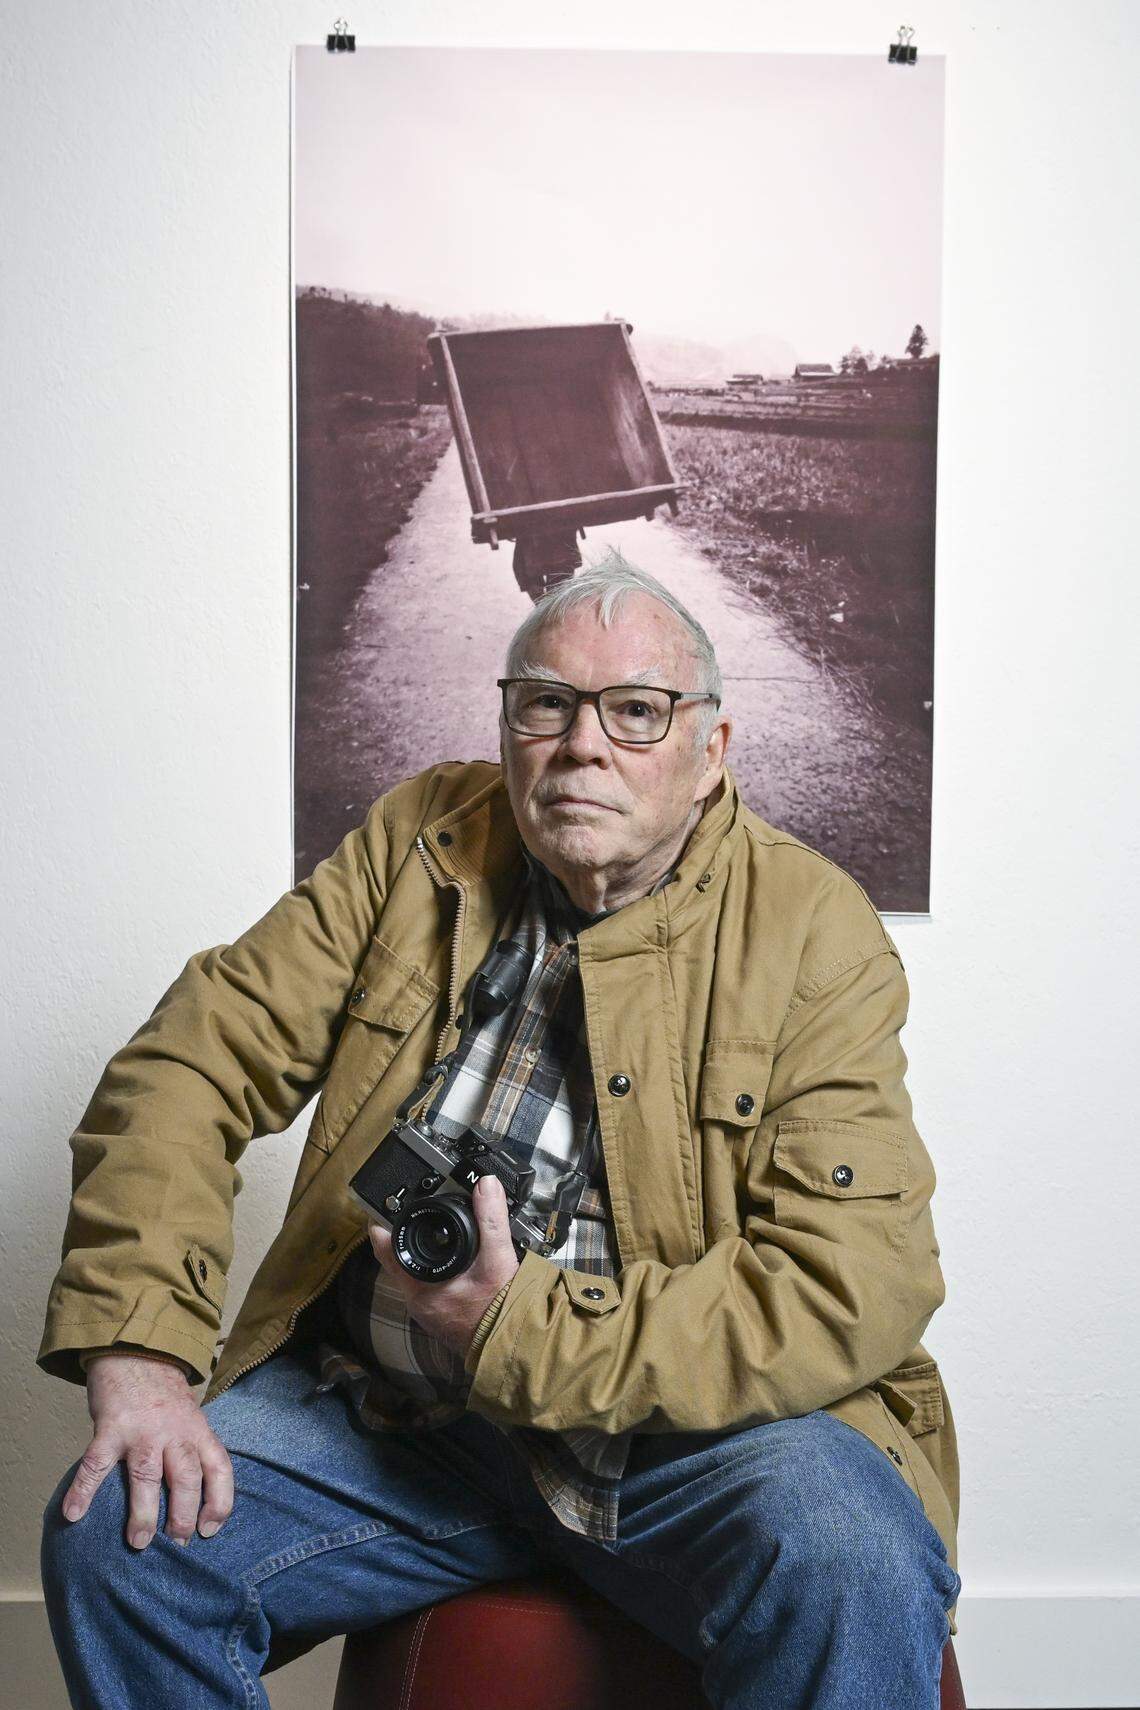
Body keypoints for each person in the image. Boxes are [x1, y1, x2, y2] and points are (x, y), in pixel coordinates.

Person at [39, 558, 962, 1708]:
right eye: (546, 704)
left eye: (636, 711)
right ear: (508, 722)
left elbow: (852, 1281)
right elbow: (191, 1062)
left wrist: (517, 1333)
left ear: (711, 751)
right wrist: (140, 1353)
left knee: (849, 1553)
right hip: (401, 1424)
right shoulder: (422, 839)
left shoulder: (815, 932)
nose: (583, 745)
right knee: (121, 1540)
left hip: (699, 1447)